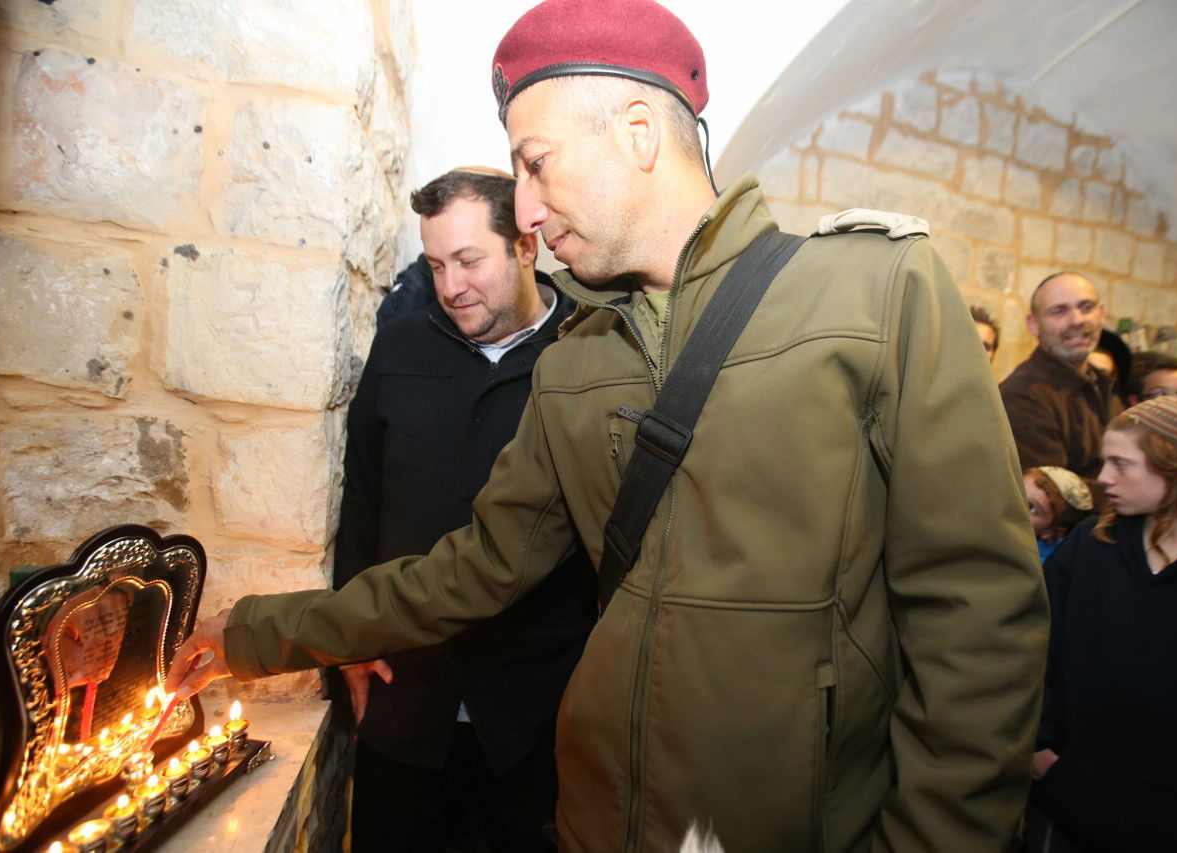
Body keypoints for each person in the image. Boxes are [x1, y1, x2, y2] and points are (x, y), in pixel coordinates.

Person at [167, 2, 1048, 850]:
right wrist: (250, 631)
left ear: (637, 130)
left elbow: (976, 614)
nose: (529, 209)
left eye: (538, 164)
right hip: (598, 816)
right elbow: (469, 571)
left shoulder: (877, 293)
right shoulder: (574, 360)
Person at [334, 167, 594, 852]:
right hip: (405, 705)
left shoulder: (589, 355)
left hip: (535, 721)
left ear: (526, 248)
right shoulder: (400, 348)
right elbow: (360, 502)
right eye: (437, 264)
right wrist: (348, 644)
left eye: (470, 260)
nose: (452, 286)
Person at [1029, 395, 1177, 851]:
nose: (1103, 478)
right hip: (1067, 803)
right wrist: (1042, 753)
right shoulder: (1089, 547)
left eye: (1122, 464)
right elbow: (1036, 651)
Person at [1000, 272, 1123, 479]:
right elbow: (1050, 496)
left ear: (1102, 314)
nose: (1077, 320)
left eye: (1086, 307)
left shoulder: (1104, 383)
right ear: (1033, 324)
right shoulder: (1022, 396)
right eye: (1059, 311)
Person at [1023, 466, 1093, 563]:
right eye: (1016, 494)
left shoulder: (1036, 567)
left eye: (1032, 508)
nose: (1015, 506)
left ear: (1051, 531)